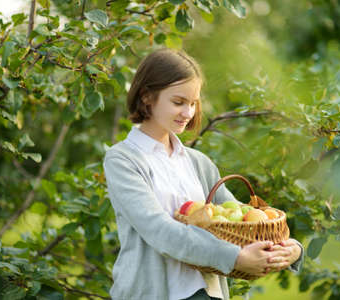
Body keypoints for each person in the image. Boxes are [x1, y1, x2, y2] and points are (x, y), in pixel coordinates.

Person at [103, 48, 304, 300]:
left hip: (206, 293)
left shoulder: (198, 162)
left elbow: (241, 221)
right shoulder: (123, 160)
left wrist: (291, 248)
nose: (188, 113)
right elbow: (159, 230)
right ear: (147, 97)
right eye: (178, 102)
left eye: (193, 103)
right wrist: (235, 258)